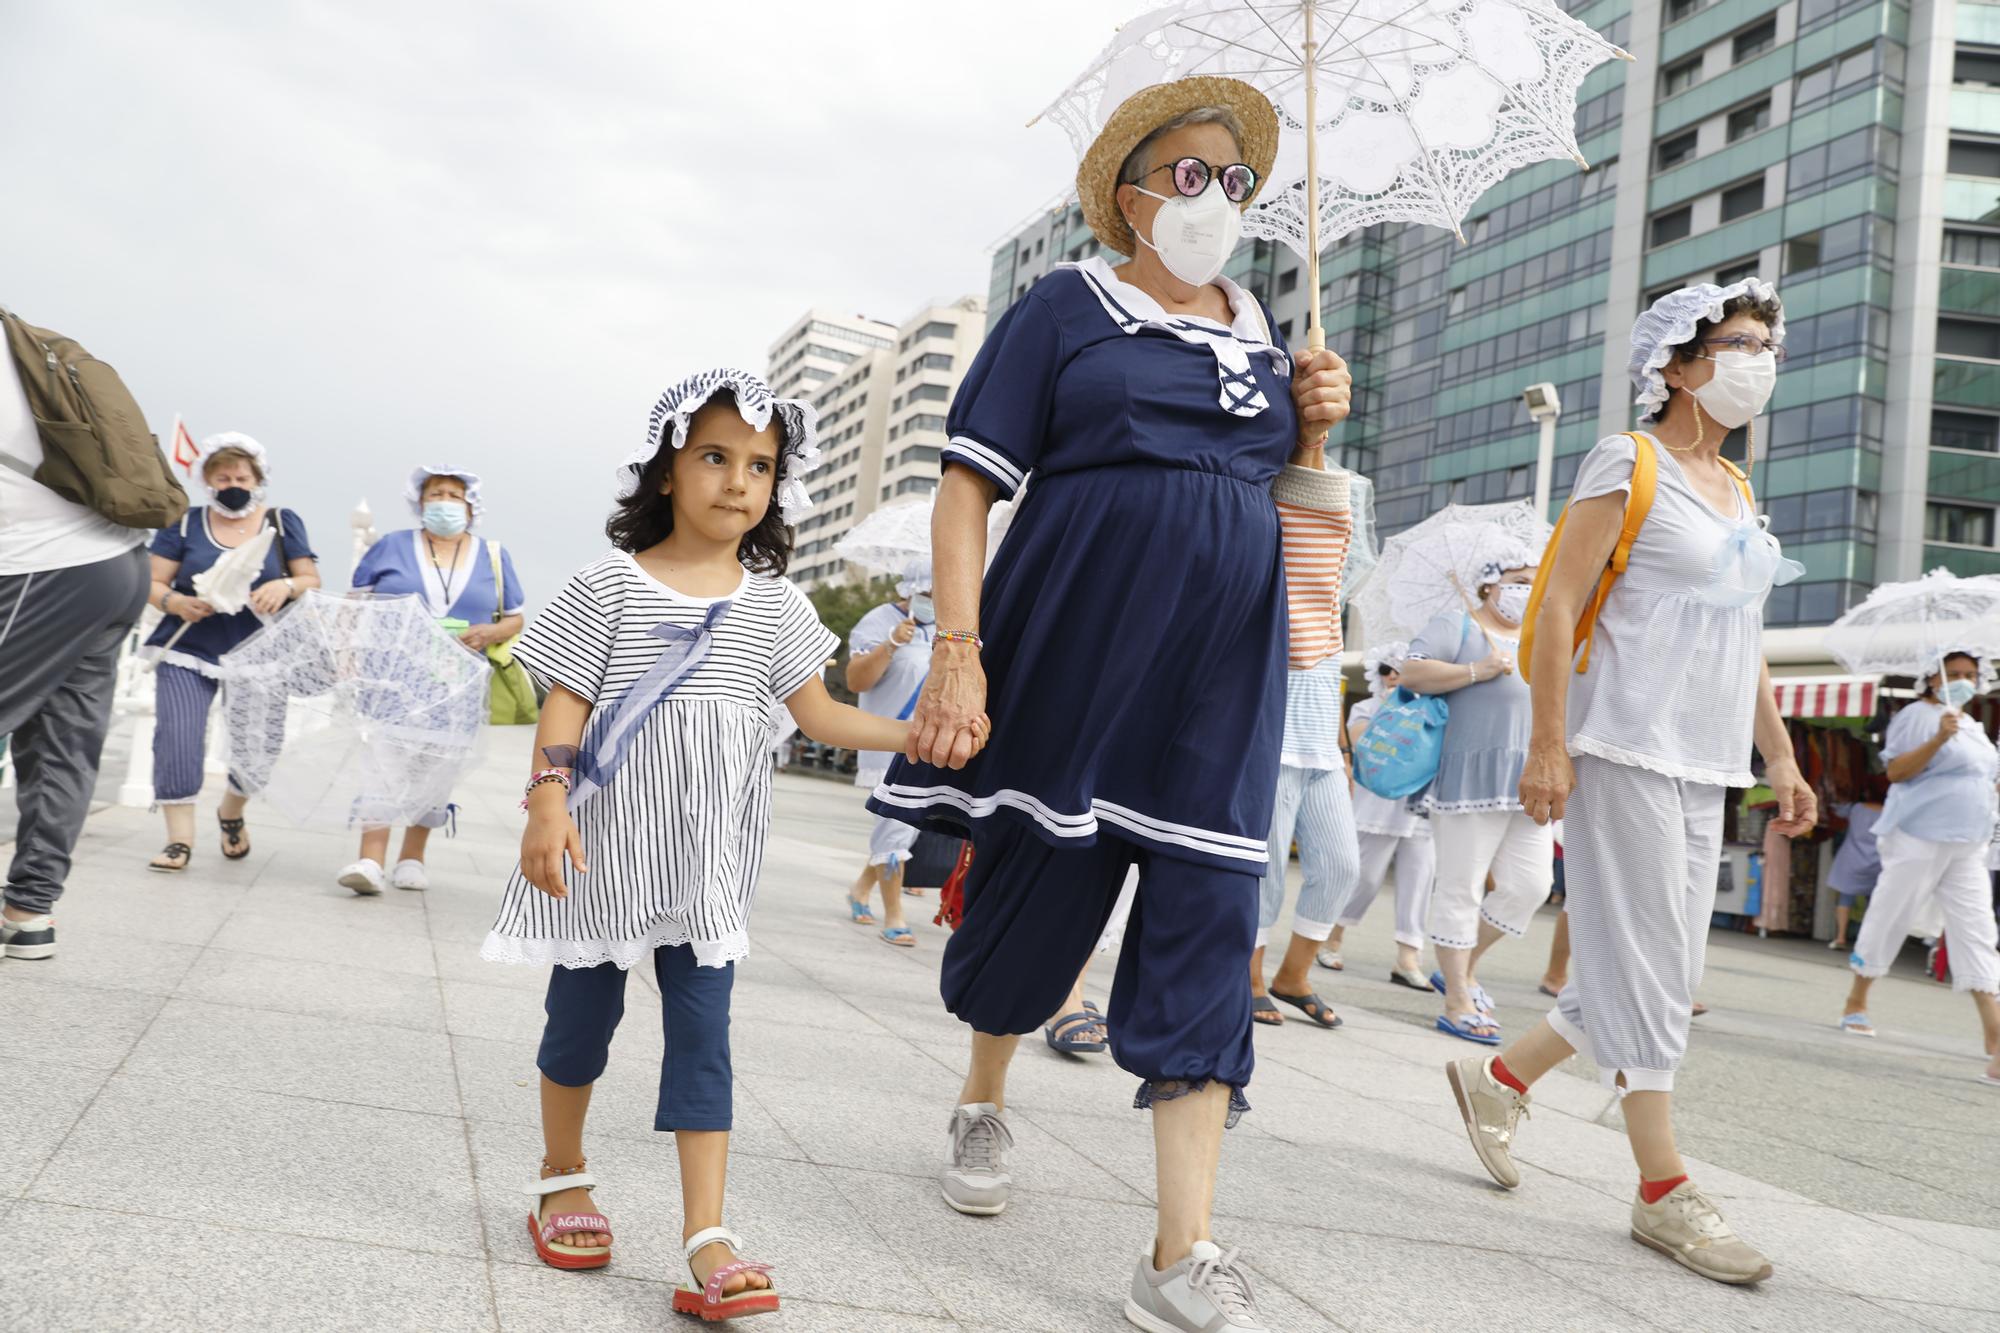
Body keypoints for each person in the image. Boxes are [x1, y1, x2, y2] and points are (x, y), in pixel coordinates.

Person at [866, 79, 1350, 1333]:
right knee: (1032, 891)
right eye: (1189, 176)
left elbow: (1291, 507)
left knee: (1208, 904)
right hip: (1073, 639)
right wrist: (959, 651)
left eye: (1234, 182)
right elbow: (966, 489)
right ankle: (986, 1089)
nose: (1216, 200)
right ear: (1128, 196)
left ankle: (1179, 1249)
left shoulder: (1267, 340)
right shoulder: (1062, 309)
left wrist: (1314, 427)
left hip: (1221, 672)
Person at [482, 368, 967, 1317]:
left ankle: (706, 1233)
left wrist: (915, 733)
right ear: (667, 469)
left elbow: (820, 712)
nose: (738, 481)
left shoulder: (776, 606)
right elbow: (566, 705)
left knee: (704, 1039)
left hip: (708, 873)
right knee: (581, 1024)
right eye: (714, 456)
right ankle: (561, 1171)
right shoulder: (606, 585)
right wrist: (547, 801)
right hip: (606, 857)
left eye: (759, 465)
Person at [1446, 280, 1815, 1285]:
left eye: (1764, 343)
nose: (1758, 359)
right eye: (1738, 342)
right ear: (1676, 365)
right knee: (1651, 971)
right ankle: (1662, 1187)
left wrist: (1777, 756)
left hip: (1705, 760)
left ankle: (1498, 1078)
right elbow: (1559, 608)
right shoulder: (1626, 458)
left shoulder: (1734, 489)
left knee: (1657, 969)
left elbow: (1744, 640)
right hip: (1622, 747)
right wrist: (1547, 746)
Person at [0, 335, 156, 961]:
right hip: (118, 563)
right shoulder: (27, 345)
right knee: (64, 745)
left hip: (47, 565)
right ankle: (29, 913)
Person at [340, 466, 525, 893]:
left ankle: (412, 857)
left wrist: (492, 632)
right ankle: (370, 858)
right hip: (390, 679)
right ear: (420, 503)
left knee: (435, 771)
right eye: (435, 493)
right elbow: (355, 604)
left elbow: (515, 617)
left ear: (470, 505)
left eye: (453, 494)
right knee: (381, 765)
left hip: (456, 684)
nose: (444, 501)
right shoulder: (391, 546)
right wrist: (346, 654)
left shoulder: (493, 555)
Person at [141, 433, 321, 871]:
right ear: (207, 481)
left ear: (258, 479)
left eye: (241, 476)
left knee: (258, 745)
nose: (232, 483)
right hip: (189, 645)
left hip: (260, 651)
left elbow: (310, 579)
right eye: (222, 477)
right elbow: (151, 582)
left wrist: (286, 584)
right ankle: (179, 839)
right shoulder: (184, 522)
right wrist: (176, 602)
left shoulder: (281, 521)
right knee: (178, 737)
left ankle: (232, 810)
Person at [1395, 545, 1549, 1044]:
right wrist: (1478, 670)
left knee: (1530, 886)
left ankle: (1464, 964)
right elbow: (1411, 673)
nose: (1527, 588)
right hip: (1469, 777)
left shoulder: (1539, 635)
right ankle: (1458, 998)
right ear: (1490, 584)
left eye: (1534, 578)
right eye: (1519, 578)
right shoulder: (1456, 626)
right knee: (1461, 888)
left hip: (1527, 780)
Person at [1841, 654, 2000, 1068]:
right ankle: (1856, 999)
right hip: (1918, 834)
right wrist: (1938, 740)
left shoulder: (1971, 724)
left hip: (1969, 840)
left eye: (1970, 675)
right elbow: (1896, 772)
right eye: (1955, 674)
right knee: (1891, 914)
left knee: (1978, 929)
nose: (1964, 681)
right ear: (1932, 677)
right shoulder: (1918, 715)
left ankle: (1995, 1035)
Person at [1250, 655, 1358, 1027]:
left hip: (1323, 753)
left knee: (1341, 867)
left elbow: (1328, 682)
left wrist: (1344, 750)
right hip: (1272, 745)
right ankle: (1248, 980)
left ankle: (1292, 978)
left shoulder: (1331, 600)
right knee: (1268, 869)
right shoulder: (1277, 593)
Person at [1324, 644, 1436, 990]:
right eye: (1387, 669)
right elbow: (1360, 745)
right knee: (1366, 877)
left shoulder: (1433, 710)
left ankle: (1408, 956)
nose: (1393, 676)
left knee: (1420, 882)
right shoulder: (1366, 707)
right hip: (1376, 804)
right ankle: (1331, 936)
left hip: (1420, 804)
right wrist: (1392, 712)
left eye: (1400, 670)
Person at [843, 561, 935, 945]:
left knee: (903, 828)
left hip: (931, 747)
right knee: (897, 829)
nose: (936, 600)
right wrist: (892, 644)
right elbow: (855, 679)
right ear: (911, 588)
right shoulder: (879, 620)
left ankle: (860, 890)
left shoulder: (948, 629)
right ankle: (894, 915)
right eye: (930, 591)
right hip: (888, 743)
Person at [1826, 777, 1887, 952]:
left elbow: (1835, 810)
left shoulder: (1856, 808)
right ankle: (1867, 941)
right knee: (1874, 903)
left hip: (1851, 859)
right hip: (1878, 861)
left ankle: (1840, 937)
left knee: (1845, 898)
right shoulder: (1891, 811)